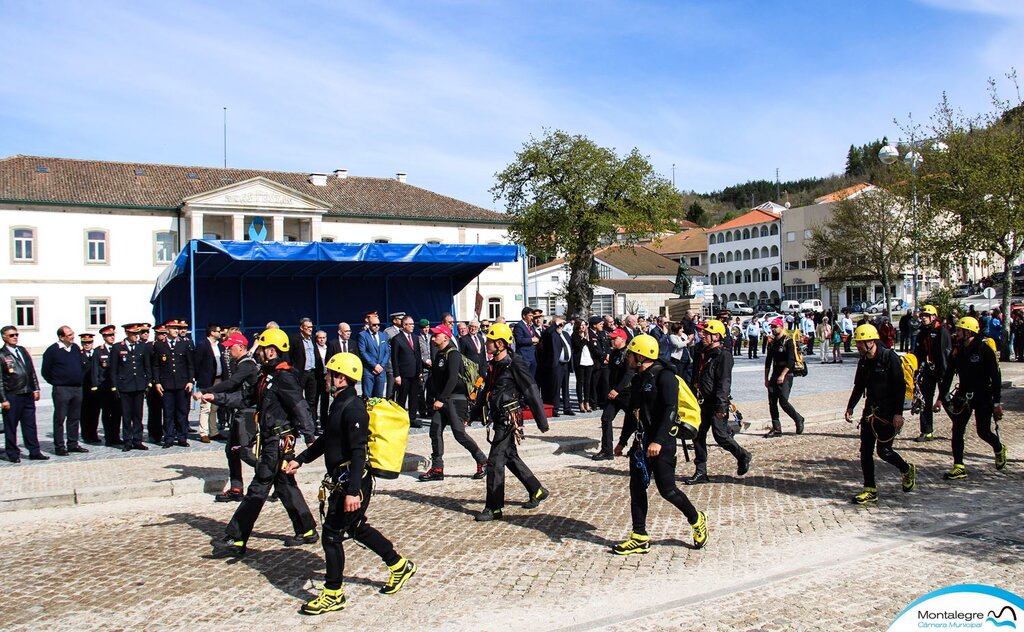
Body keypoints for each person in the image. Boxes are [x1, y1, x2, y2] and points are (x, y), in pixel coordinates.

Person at [285, 352, 418, 615]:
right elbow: (327, 440)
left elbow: (359, 452)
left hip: (352, 482)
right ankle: (399, 565)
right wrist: (301, 459)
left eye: (330, 374)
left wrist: (353, 491)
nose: (326, 378)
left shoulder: (354, 408)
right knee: (356, 528)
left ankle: (333, 593)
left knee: (332, 535)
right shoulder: (338, 403)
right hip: (343, 480)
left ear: (342, 378)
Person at [208, 328, 318, 557]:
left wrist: (310, 437)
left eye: (261, 349)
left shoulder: (283, 376)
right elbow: (246, 399)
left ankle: (237, 538)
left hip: (278, 442)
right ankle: (307, 530)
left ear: (270, 351)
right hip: (269, 438)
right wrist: (216, 397)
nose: (257, 353)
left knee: (259, 487)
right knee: (285, 486)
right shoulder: (265, 376)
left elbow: (300, 407)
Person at [610, 334, 708, 555]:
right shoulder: (638, 379)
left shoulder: (666, 378)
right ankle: (639, 536)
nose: (628, 359)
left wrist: (658, 440)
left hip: (663, 443)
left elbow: (670, 411)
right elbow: (632, 414)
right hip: (641, 444)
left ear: (641, 356)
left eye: (631, 355)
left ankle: (696, 518)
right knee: (636, 488)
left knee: (668, 490)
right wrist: (622, 441)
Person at [471, 323, 550, 522]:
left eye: (489, 340)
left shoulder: (515, 363)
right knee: (509, 457)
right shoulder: (493, 365)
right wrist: (471, 415)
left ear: (499, 343)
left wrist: (542, 421)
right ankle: (537, 489)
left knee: (495, 462)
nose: (486, 343)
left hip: (508, 420)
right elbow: (485, 391)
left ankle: (494, 507)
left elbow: (531, 390)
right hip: (497, 416)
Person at [844, 324, 917, 505]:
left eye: (861, 343)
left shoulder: (888, 357)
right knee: (865, 452)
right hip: (870, 412)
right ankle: (870, 489)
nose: (858, 346)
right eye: (858, 343)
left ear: (871, 341)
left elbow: (900, 386)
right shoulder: (863, 361)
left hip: (888, 412)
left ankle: (906, 469)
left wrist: (898, 414)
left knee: (884, 452)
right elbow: (859, 386)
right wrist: (850, 406)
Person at [935, 316, 1008, 480]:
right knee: (957, 430)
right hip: (963, 396)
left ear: (969, 331)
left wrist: (996, 402)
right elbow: (947, 376)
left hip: (983, 396)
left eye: (960, 330)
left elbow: (995, 378)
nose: (957, 333)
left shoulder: (984, 350)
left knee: (983, 432)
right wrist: (940, 398)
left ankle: (998, 448)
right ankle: (959, 466)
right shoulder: (957, 350)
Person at [684, 319, 752, 485]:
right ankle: (701, 472)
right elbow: (694, 376)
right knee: (698, 436)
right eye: (702, 332)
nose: (702, 335)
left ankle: (742, 454)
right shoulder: (700, 351)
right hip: (699, 401)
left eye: (706, 333)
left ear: (716, 336)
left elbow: (724, 383)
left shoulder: (724, 356)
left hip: (716, 402)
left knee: (720, 436)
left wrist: (721, 406)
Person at [418, 324, 488, 482]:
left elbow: (452, 379)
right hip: (441, 400)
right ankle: (437, 468)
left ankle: (483, 460)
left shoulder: (453, 354)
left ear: (446, 337)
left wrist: (441, 399)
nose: (433, 337)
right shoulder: (439, 354)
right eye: (433, 334)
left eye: (436, 335)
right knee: (435, 431)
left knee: (459, 434)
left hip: (456, 400)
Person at [200, 332, 260, 502]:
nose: (227, 351)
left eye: (230, 348)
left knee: (244, 451)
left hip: (248, 413)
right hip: (239, 411)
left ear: (241, 347)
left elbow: (232, 383)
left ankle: (271, 475)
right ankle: (236, 488)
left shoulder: (246, 364)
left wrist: (208, 391)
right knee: (231, 450)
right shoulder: (240, 363)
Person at [1, 326, 47, 462]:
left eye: (16, 334)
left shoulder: (22, 350)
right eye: (11, 335)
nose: (15, 337)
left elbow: (31, 371)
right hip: (12, 395)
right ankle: (13, 453)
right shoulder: (2, 354)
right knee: (11, 426)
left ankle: (34, 451)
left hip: (27, 393)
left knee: (30, 424)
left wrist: (36, 388)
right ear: (4, 337)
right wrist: (3, 399)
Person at [41, 325, 88, 455]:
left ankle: (73, 443)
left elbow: (81, 365)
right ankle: (60, 446)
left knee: (74, 418)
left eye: (72, 333)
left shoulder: (75, 348)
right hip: (62, 389)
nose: (72, 336)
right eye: (69, 335)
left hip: (77, 388)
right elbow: (45, 371)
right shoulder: (52, 350)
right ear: (61, 337)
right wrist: (57, 382)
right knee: (60, 419)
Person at [912, 305, 951, 443]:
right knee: (924, 400)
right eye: (922, 316)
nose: (922, 318)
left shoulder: (942, 332)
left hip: (940, 370)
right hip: (927, 371)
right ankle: (927, 431)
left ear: (933, 317)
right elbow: (918, 353)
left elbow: (944, 355)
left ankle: (959, 424)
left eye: (925, 316)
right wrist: (916, 371)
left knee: (945, 399)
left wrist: (943, 375)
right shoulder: (922, 332)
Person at [152, 319, 194, 448]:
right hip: (167, 384)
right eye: (174, 328)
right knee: (168, 413)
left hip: (182, 383)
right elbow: (156, 366)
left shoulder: (184, 344)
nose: (177, 330)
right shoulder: (159, 345)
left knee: (182, 412)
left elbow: (190, 364)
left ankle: (182, 437)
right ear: (167, 329)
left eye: (177, 328)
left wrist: (190, 380)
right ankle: (169, 438)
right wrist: (157, 382)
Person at [111, 324, 152, 452]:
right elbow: (113, 369)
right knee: (127, 415)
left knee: (138, 415)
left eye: (138, 334)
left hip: (139, 385)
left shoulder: (142, 346)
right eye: (134, 334)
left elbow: (147, 366)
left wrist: (148, 381)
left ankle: (137, 440)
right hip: (125, 386)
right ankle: (127, 441)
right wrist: (114, 386)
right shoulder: (118, 347)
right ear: (127, 333)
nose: (136, 336)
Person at [763, 317, 805, 438]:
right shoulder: (772, 343)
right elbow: (768, 361)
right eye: (772, 327)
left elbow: (791, 360)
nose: (773, 329)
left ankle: (798, 419)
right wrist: (766, 378)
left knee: (783, 401)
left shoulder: (788, 341)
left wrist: (783, 375)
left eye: (775, 327)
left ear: (782, 327)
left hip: (787, 373)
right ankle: (776, 428)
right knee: (772, 402)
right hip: (775, 372)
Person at [92, 324, 122, 446]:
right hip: (104, 387)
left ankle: (116, 436)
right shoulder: (99, 351)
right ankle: (109, 437)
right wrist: (95, 385)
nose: (111, 337)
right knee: (106, 413)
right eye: (108, 336)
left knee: (117, 412)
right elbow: (95, 370)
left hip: (117, 386)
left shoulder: (119, 348)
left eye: (112, 335)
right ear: (104, 337)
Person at [194, 324, 224, 443]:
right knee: (205, 407)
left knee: (214, 407)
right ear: (212, 332)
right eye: (218, 331)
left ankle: (213, 431)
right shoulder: (202, 345)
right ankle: (204, 433)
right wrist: (198, 380)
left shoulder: (220, 346)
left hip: (218, 379)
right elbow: (197, 363)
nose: (220, 333)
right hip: (207, 380)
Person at [391, 316, 423, 415]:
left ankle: (412, 418)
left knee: (413, 397)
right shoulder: (397, 339)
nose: (413, 326)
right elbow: (394, 358)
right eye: (410, 324)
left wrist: (420, 372)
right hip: (403, 374)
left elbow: (418, 355)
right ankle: (401, 418)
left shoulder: (415, 337)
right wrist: (396, 375)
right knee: (402, 397)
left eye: (413, 324)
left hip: (415, 373)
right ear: (404, 325)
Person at [289, 317, 320, 420]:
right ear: (302, 328)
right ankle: (297, 424)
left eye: (311, 327)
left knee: (312, 400)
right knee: (297, 400)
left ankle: (312, 423)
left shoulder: (313, 339)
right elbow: (290, 356)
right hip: (300, 374)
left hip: (312, 373)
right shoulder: (294, 339)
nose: (310, 329)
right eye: (308, 327)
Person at [358, 312, 390, 398]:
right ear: (369, 324)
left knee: (379, 396)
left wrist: (381, 366)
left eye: (378, 325)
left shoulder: (382, 335)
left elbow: (387, 352)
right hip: (369, 371)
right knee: (368, 397)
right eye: (374, 325)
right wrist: (374, 365)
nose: (377, 326)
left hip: (381, 371)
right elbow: (362, 352)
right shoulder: (362, 335)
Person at [548, 317, 575, 416]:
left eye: (562, 324)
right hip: (557, 364)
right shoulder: (552, 334)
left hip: (566, 364)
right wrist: (555, 325)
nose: (561, 326)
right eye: (559, 325)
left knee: (566, 387)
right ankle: (555, 408)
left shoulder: (566, 334)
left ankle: (567, 407)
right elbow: (547, 333)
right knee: (556, 387)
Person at [79, 333, 101, 444]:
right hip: (84, 388)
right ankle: (86, 435)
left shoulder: (96, 353)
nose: (87, 345)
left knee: (95, 412)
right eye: (84, 343)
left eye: (89, 343)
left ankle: (94, 433)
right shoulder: (79, 354)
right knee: (84, 413)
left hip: (95, 388)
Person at [572, 318, 598, 413]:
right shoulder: (575, 335)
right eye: (581, 325)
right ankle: (580, 403)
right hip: (580, 362)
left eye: (584, 325)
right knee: (580, 382)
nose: (583, 327)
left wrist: (587, 338)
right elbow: (578, 346)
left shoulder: (589, 335)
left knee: (588, 383)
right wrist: (584, 338)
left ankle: (587, 402)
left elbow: (592, 346)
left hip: (589, 361)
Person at [144, 325, 164, 444]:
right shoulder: (149, 347)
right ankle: (154, 434)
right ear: (156, 334)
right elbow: (147, 365)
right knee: (154, 410)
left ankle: (168, 432)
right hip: (154, 383)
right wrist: (150, 381)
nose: (163, 336)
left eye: (164, 333)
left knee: (168, 410)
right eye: (160, 333)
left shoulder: (168, 345)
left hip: (166, 382)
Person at [383, 311, 405, 400]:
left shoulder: (403, 331)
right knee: (391, 390)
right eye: (401, 319)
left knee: (401, 390)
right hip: (391, 365)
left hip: (402, 365)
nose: (403, 321)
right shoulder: (388, 332)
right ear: (395, 320)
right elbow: (385, 349)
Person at [513, 307, 540, 377]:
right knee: (524, 379)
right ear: (524, 316)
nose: (531, 318)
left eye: (532, 316)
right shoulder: (519, 326)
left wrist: (535, 341)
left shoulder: (530, 326)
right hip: (524, 357)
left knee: (532, 379)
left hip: (532, 356)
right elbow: (519, 340)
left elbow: (532, 337)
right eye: (530, 316)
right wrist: (531, 340)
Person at [313, 330, 330, 432]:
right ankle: (314, 424)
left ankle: (324, 424)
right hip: (316, 377)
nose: (322, 340)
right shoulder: (313, 349)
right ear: (316, 339)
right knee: (314, 401)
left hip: (325, 377)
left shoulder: (328, 348)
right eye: (320, 338)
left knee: (325, 401)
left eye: (323, 338)